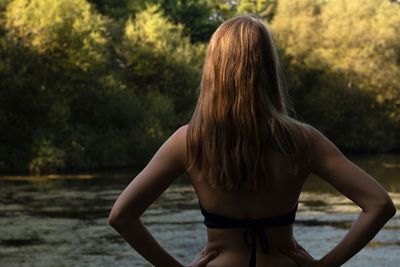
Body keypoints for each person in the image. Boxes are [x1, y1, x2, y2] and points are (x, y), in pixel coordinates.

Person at [108, 16, 396, 267]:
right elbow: (379, 204)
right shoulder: (302, 140)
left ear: (214, 70)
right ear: (268, 69)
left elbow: (122, 216)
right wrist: (325, 265)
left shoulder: (189, 140)